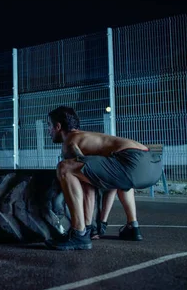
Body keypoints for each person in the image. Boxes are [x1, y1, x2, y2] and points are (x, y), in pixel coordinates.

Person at [43, 106, 163, 250]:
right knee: (121, 178)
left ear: (58, 126)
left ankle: (79, 234)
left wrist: (86, 229)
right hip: (153, 164)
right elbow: (100, 183)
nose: (48, 131)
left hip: (132, 162)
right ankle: (133, 227)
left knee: (64, 168)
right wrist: (100, 223)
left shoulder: (70, 142)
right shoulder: (88, 137)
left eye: (49, 126)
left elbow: (87, 188)